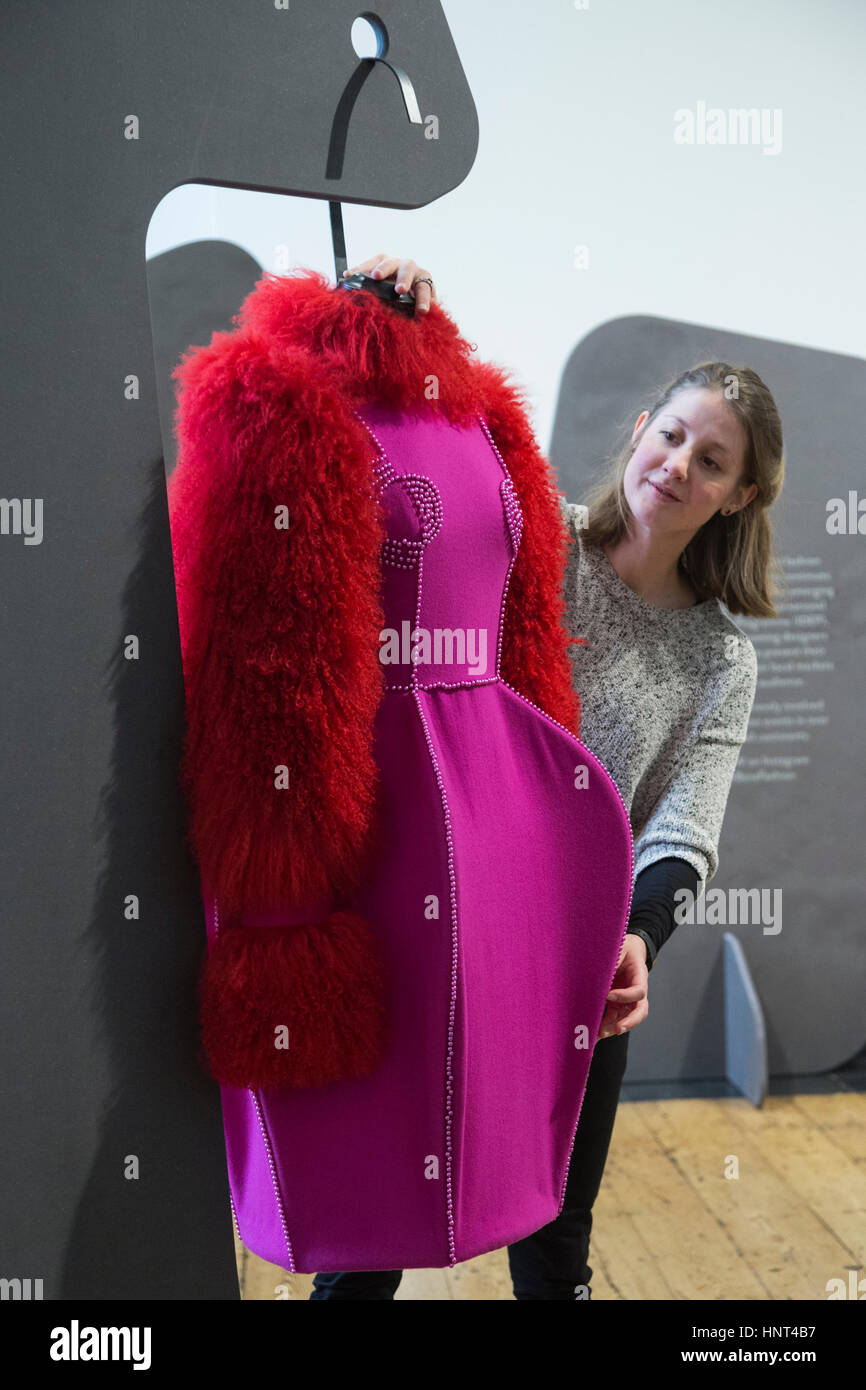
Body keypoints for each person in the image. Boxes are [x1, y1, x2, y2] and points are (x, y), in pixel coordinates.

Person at [309, 255, 785, 1300]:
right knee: (376, 1221)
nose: (676, 466)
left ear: (738, 494)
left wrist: (636, 933)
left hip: (574, 953)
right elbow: (426, 438)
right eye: (670, 435)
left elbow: (682, 825)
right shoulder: (530, 542)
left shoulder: (720, 660)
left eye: (710, 460)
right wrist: (403, 311)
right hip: (442, 913)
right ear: (636, 431)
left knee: (554, 1237)